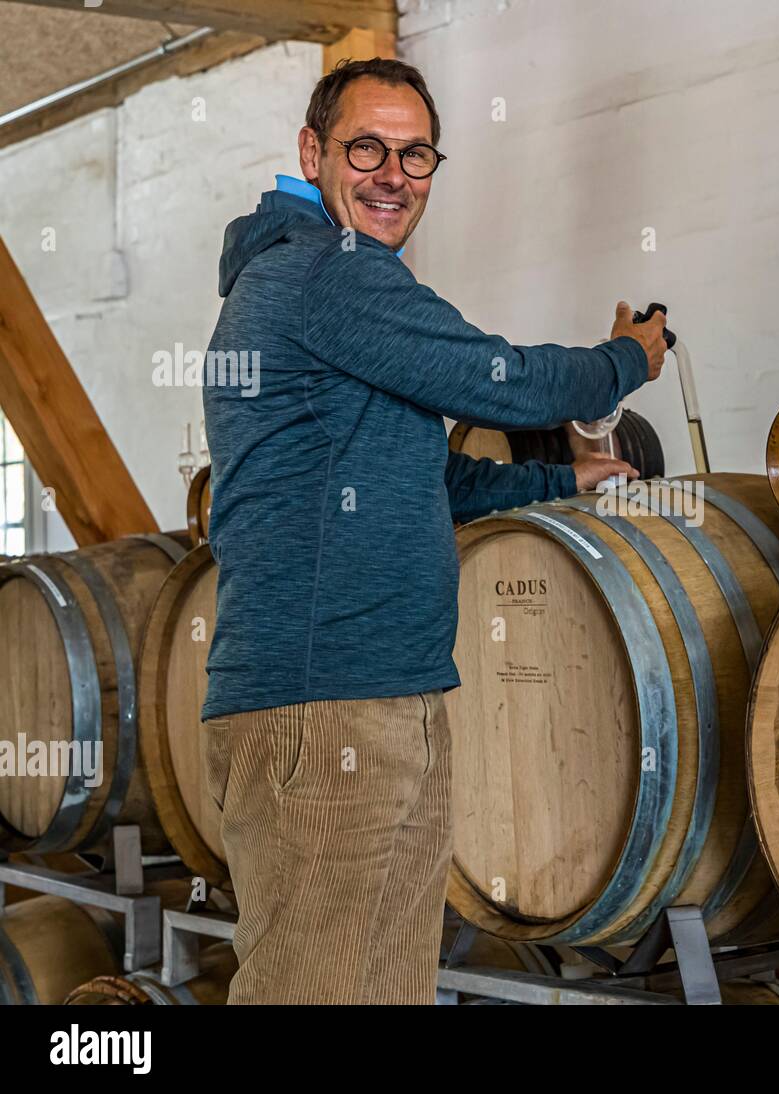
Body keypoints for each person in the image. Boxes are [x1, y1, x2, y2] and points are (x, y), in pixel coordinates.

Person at [198, 56, 666, 1004]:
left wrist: (555, 477)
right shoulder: (325, 275)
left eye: (416, 156)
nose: (392, 175)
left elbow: (425, 474)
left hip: (381, 692)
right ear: (312, 153)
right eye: (366, 147)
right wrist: (630, 358)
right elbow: (507, 380)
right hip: (326, 700)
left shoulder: (318, 284)